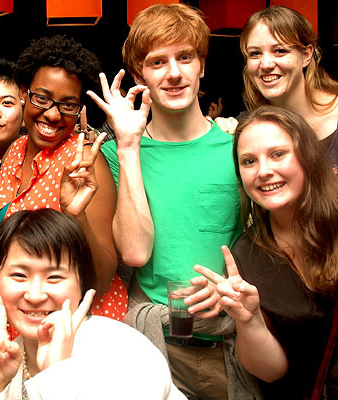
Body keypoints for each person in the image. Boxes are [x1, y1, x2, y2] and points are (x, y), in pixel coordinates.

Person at [92, 4, 242, 399]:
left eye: (185, 57)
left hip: (226, 344)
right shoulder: (117, 155)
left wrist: (232, 286)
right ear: (139, 76)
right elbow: (135, 252)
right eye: (158, 62)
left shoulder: (238, 149)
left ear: (202, 66)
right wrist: (128, 146)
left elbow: (264, 245)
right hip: (150, 343)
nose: (173, 73)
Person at [0, 208, 185, 400]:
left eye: (54, 277)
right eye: (19, 275)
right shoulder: (6, 359)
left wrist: (56, 375)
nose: (35, 295)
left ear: (82, 283)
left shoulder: (125, 352)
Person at [198, 106, 338, 398]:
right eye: (249, 161)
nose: (263, 171)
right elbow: (272, 371)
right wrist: (249, 321)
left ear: (307, 157)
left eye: (278, 154)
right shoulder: (246, 255)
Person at [0, 35, 126, 321]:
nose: (52, 114)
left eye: (68, 105)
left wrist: (77, 217)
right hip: (24, 316)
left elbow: (101, 281)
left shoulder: (84, 163)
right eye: (42, 98)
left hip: (74, 322)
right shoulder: (15, 150)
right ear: (23, 92)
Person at [219, 6, 338, 173]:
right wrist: (215, 133)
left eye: (280, 51)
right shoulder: (246, 128)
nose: (266, 64)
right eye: (255, 53)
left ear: (306, 55)